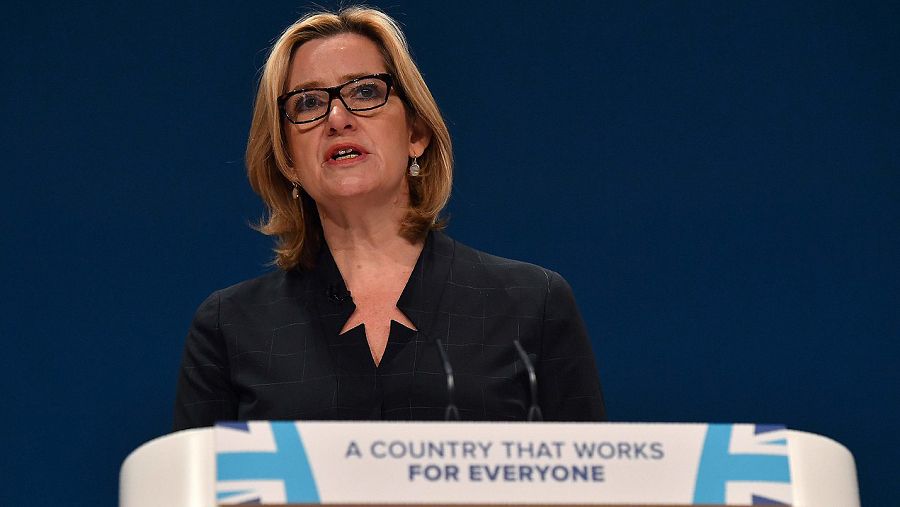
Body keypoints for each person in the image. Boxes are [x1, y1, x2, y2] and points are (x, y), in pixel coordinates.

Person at [173, 6, 605, 430]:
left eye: (364, 92)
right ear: (288, 161)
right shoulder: (229, 327)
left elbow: (594, 489)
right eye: (307, 103)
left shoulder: (532, 303)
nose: (337, 118)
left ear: (416, 134)